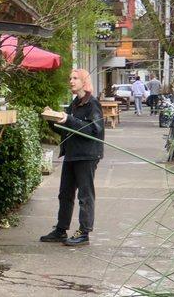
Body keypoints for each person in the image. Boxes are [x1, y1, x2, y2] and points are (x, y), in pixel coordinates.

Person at [40, 69, 105, 246]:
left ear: (84, 82)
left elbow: (93, 131)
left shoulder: (92, 104)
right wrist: (52, 120)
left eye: (75, 78)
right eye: (70, 78)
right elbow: (67, 131)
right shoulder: (75, 103)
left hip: (87, 155)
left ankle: (84, 232)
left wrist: (68, 119)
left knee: (85, 195)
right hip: (72, 154)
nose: (71, 81)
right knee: (65, 194)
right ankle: (61, 230)